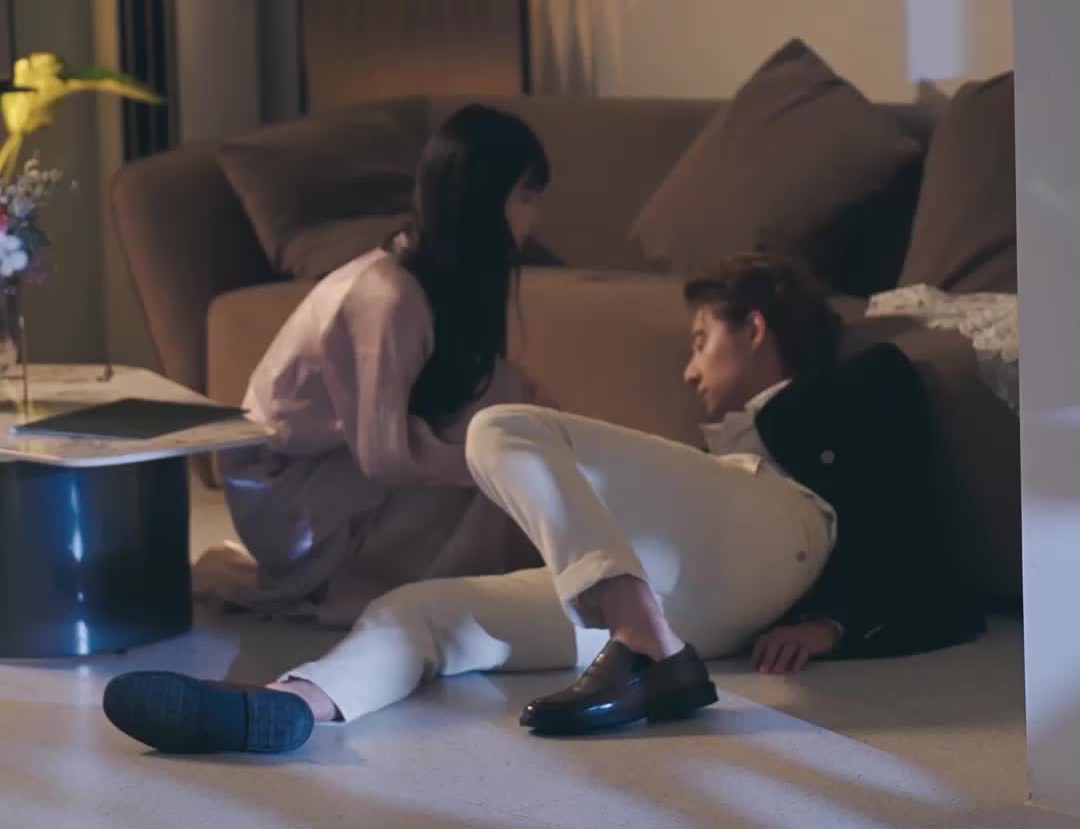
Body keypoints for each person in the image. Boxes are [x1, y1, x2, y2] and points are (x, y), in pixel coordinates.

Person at [105, 252, 985, 755]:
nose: (688, 370)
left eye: (700, 341)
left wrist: (836, 620)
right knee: (423, 611)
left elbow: (907, 521)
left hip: (783, 526)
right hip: (700, 612)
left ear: (755, 326)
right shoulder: (709, 462)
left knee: (502, 429)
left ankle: (647, 646)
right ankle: (291, 707)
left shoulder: (860, 383)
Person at [103, 103, 552, 755]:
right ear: (483, 197)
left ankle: (441, 601)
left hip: (335, 465)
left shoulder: (435, 285)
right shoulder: (386, 295)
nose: (534, 218)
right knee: (494, 446)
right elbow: (385, 458)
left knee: (507, 407)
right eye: (526, 198)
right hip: (286, 488)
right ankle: (416, 602)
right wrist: (489, 464)